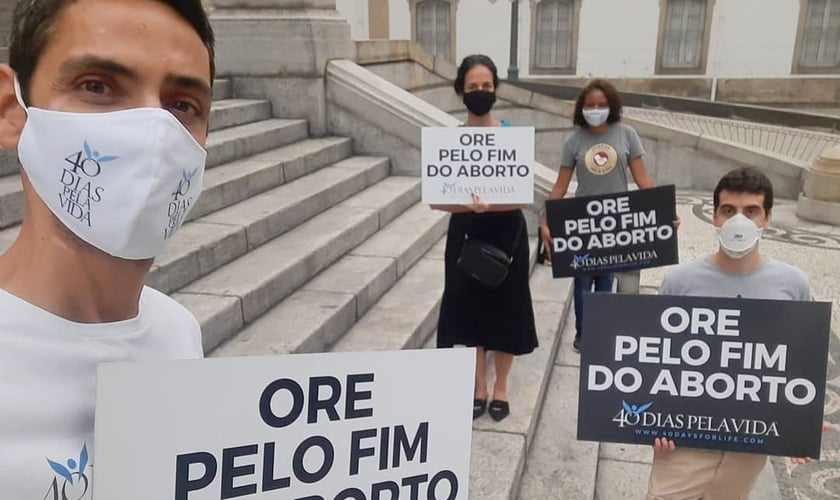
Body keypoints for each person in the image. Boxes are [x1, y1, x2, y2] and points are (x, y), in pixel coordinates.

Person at [0, 0, 214, 497]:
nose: (153, 133)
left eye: (183, 104)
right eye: (96, 86)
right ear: (13, 113)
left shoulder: (176, 332)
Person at [646, 167, 815, 500]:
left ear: (767, 218)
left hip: (747, 445)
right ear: (715, 218)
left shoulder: (793, 284)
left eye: (750, 211)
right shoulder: (679, 281)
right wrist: (652, 420)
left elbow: (798, 358)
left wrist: (802, 421)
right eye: (729, 210)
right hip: (683, 442)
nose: (740, 220)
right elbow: (654, 358)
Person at [433, 54, 538, 422]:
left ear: (496, 90)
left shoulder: (511, 137)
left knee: (506, 312)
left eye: (487, 86)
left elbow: (523, 195)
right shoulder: (449, 141)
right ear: (461, 90)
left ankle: (502, 387)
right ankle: (478, 385)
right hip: (466, 230)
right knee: (470, 312)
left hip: (506, 231)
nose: (481, 92)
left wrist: (492, 204)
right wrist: (467, 205)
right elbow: (437, 200)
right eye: (474, 87)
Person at [540, 79, 673, 353]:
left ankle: (603, 330)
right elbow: (560, 186)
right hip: (582, 224)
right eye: (590, 105)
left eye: (601, 104)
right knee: (583, 282)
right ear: (582, 108)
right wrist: (545, 221)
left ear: (611, 106)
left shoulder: (627, 134)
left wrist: (665, 213)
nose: (596, 109)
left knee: (606, 279)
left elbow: (643, 179)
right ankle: (584, 333)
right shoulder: (573, 141)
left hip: (615, 222)